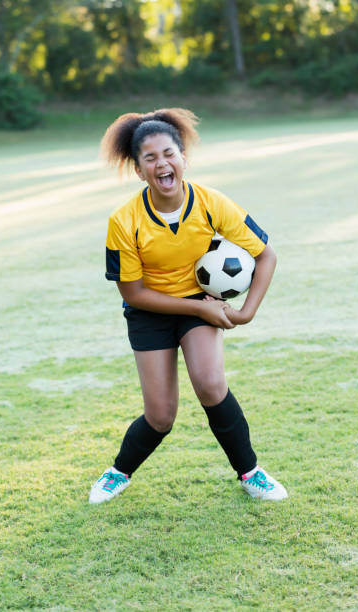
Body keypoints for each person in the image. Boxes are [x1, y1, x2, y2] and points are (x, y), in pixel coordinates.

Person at [89, 108, 288, 504]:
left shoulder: (212, 202)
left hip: (199, 300)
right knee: (161, 417)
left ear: (183, 158)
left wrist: (245, 311)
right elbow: (133, 293)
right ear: (139, 170)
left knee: (212, 385)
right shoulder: (123, 221)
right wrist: (200, 310)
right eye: (150, 158)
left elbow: (266, 255)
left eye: (168, 153)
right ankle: (118, 472)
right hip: (151, 311)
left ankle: (251, 473)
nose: (162, 163)